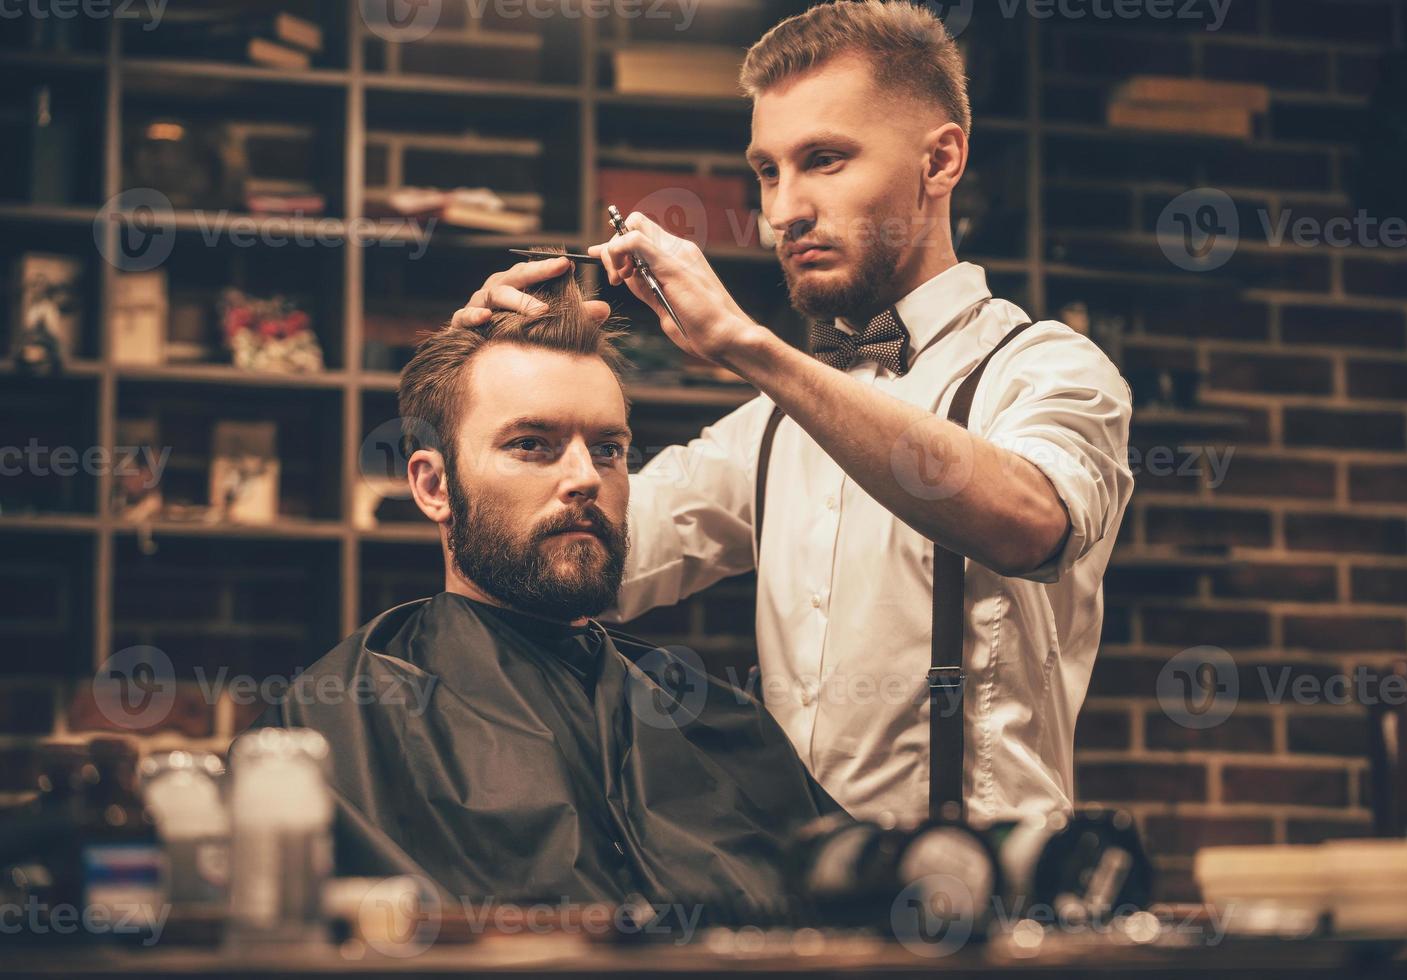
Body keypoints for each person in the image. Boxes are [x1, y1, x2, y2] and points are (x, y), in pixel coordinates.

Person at [454, 1, 1134, 826]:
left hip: (991, 904)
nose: (782, 211)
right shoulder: (769, 428)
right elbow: (577, 561)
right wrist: (487, 390)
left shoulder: (1047, 367)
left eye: (824, 160)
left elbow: (1031, 524)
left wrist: (751, 348)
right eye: (768, 172)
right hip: (804, 900)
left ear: (941, 159)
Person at [242, 269, 839, 917]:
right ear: (433, 487)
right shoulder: (345, 722)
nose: (585, 476)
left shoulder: (717, 722)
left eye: (608, 449)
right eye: (531, 445)